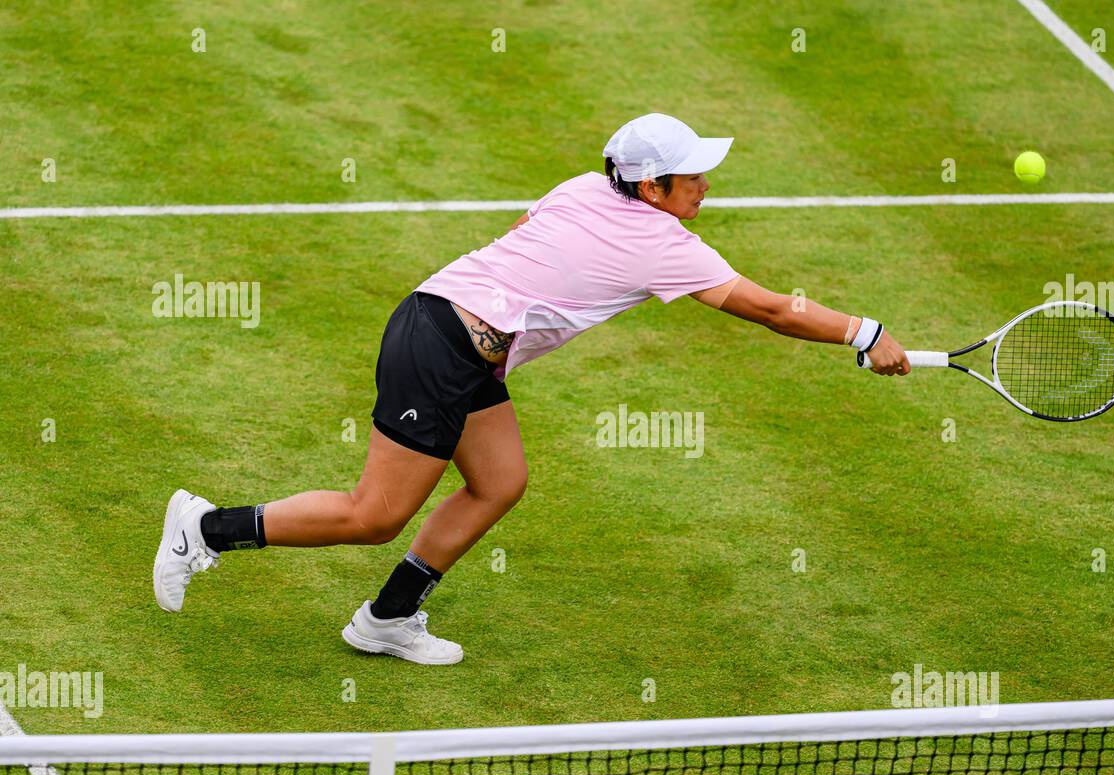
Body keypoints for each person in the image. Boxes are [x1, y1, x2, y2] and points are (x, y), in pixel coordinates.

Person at [153, 113, 911, 665]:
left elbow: (524, 237)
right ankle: (205, 530)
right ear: (651, 187)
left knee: (499, 481)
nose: (706, 185)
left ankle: (386, 619)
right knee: (374, 514)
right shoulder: (662, 245)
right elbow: (774, 309)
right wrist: (865, 333)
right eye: (693, 176)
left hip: (450, 336)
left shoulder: (585, 187)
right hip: (440, 352)